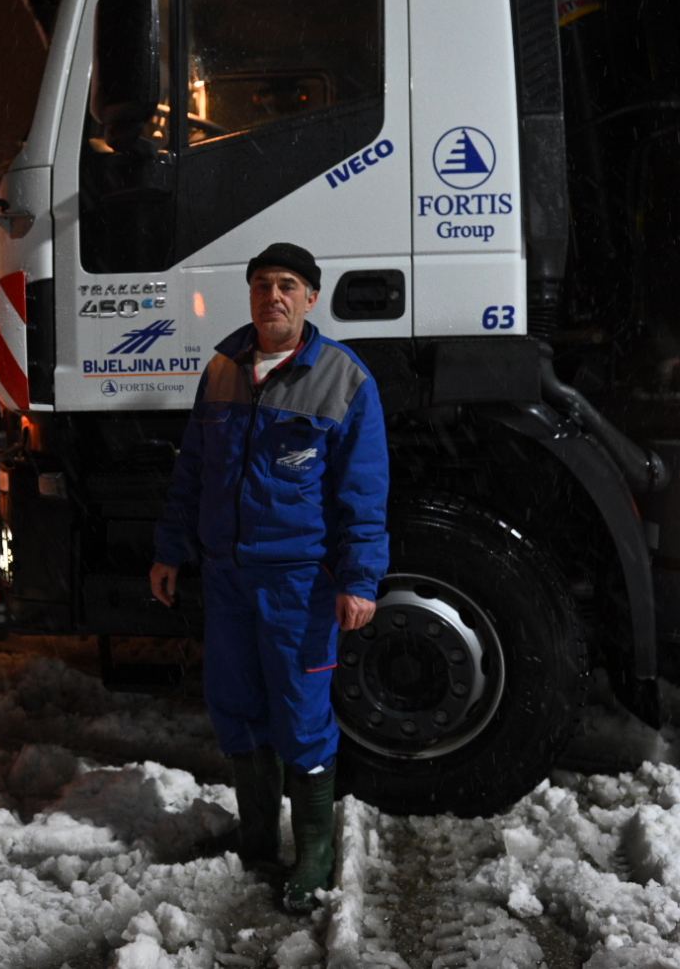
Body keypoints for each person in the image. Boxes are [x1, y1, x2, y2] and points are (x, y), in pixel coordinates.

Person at [150, 241, 389, 913]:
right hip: (226, 576)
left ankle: (314, 852)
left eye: (287, 285)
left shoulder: (343, 379)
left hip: (298, 583)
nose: (273, 296)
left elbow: (363, 491)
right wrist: (170, 549)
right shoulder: (223, 369)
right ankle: (257, 839)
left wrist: (360, 579)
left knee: (301, 713)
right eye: (261, 284)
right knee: (236, 706)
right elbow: (193, 469)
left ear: (311, 297)